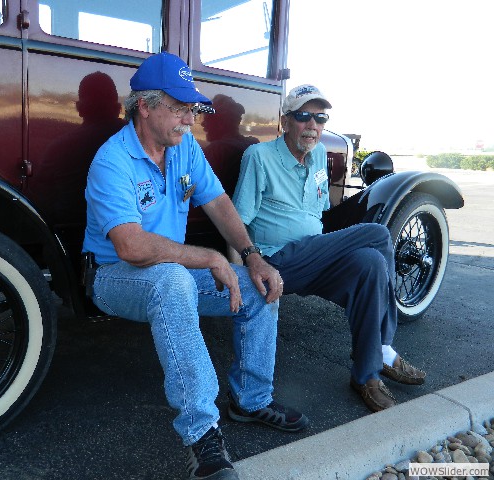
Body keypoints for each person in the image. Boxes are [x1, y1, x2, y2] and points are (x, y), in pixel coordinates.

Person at [82, 52, 308, 480]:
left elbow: (219, 203)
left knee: (257, 285)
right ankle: (202, 435)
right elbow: (129, 246)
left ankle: (252, 400)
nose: (190, 119)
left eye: (192, 109)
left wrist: (252, 256)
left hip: (172, 272)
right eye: (180, 109)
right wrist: (207, 256)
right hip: (114, 277)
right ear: (145, 107)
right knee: (172, 281)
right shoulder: (112, 160)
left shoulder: (184, 149)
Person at [231, 84, 426, 414]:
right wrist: (237, 274)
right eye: (304, 116)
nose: (313, 126)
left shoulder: (319, 154)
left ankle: (366, 375)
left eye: (320, 118)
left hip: (314, 256)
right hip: (276, 260)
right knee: (378, 235)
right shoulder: (259, 157)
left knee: (369, 262)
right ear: (285, 122)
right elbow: (237, 221)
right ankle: (383, 347)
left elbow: (318, 211)